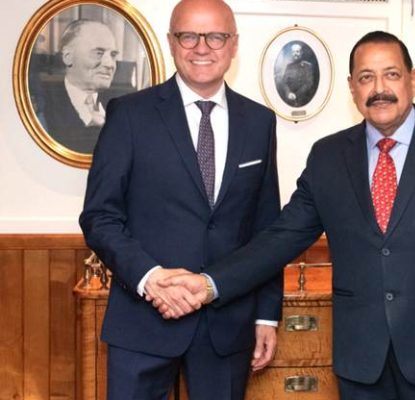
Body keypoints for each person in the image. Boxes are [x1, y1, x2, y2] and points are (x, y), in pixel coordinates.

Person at [156, 31, 415, 399]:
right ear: (352, 87)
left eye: (391, 74)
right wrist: (210, 283)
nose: (379, 88)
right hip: (362, 364)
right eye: (366, 77)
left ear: (412, 78)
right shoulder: (328, 157)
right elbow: (279, 239)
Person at [79, 0, 283, 398]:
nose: (201, 47)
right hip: (143, 320)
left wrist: (266, 315)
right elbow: (99, 217)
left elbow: (267, 231)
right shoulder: (129, 115)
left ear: (233, 44)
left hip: (227, 325)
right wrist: (151, 279)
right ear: (171, 42)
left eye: (215, 36)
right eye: (188, 36)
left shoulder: (260, 122)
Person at [43, 20, 125, 153]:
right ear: (68, 57)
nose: (110, 64)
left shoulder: (122, 105)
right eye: (98, 53)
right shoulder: (43, 106)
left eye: (113, 55)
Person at [277, 42, 317, 107]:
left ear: (301, 53)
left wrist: (296, 95)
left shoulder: (307, 66)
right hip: (290, 100)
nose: (295, 54)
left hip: (303, 100)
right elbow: (284, 82)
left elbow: (309, 83)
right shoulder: (289, 66)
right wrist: (288, 92)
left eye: (297, 51)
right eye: (293, 52)